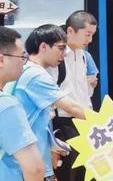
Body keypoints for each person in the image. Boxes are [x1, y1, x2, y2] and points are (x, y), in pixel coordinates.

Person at [8, 25, 87, 181]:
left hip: (26, 161)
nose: (64, 54)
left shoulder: (27, 70)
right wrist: (108, 121)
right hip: (32, 165)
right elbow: (72, 107)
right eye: (60, 48)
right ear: (43, 46)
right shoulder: (36, 74)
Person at [49, 11, 98, 181]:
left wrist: (90, 85)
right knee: (68, 173)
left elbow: (83, 92)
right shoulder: (57, 57)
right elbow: (53, 96)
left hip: (85, 121)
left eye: (92, 35)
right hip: (64, 124)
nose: (90, 40)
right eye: (87, 34)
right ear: (70, 31)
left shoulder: (83, 55)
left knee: (89, 172)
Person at [0, 27, 44, 181]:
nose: (24, 63)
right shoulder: (6, 105)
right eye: (22, 56)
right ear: (1, 60)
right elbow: (34, 168)